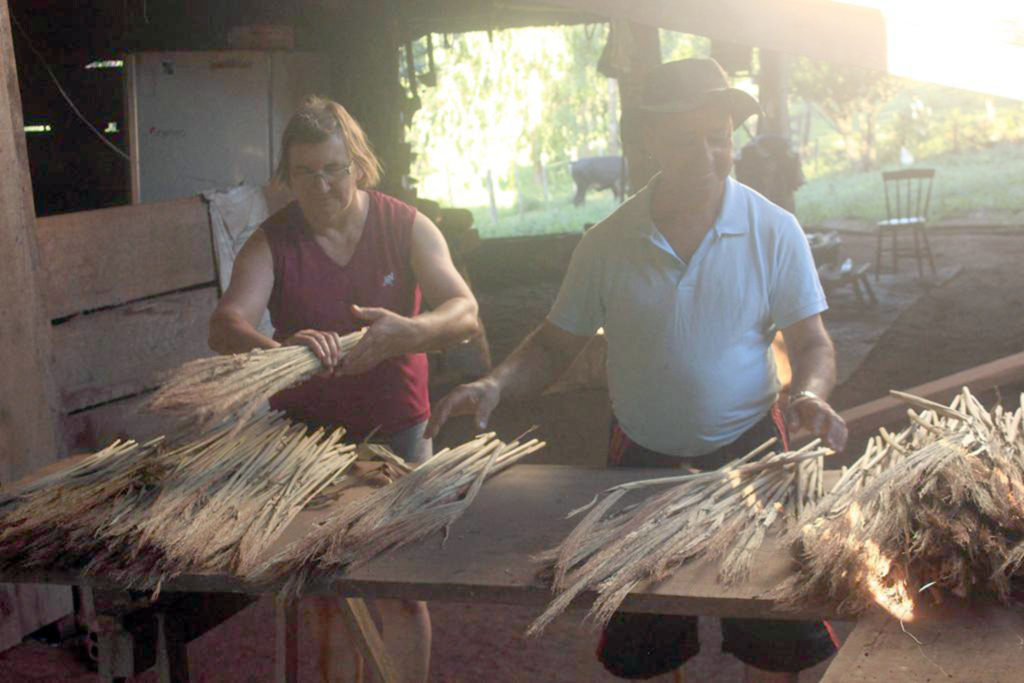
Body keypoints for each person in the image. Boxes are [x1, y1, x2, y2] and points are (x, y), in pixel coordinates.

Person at [427, 58, 847, 682]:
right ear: (647, 141)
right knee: (645, 637)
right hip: (641, 461)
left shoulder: (773, 230)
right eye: (685, 139)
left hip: (754, 454)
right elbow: (551, 346)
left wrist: (810, 395)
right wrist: (494, 384)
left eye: (719, 138)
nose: (706, 155)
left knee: (775, 623)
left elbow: (813, 344)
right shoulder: (607, 242)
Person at [209, 95, 480, 682]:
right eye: (305, 172)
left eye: (333, 168)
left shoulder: (404, 225)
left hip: (398, 432)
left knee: (400, 589)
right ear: (286, 177)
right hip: (306, 442)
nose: (322, 184)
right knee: (328, 595)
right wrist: (281, 354)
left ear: (357, 164)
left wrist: (410, 331)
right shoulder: (272, 240)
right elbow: (226, 324)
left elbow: (464, 313)